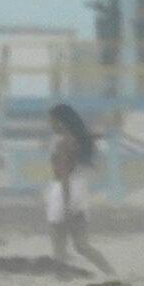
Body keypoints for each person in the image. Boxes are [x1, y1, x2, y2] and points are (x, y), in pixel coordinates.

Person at [46, 103, 115, 276]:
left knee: (58, 244)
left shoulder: (63, 144)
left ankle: (61, 278)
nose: (50, 125)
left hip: (64, 192)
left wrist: (66, 203)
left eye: (52, 121)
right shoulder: (80, 139)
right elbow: (95, 136)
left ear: (61, 121)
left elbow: (63, 175)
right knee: (82, 245)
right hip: (81, 190)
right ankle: (111, 272)